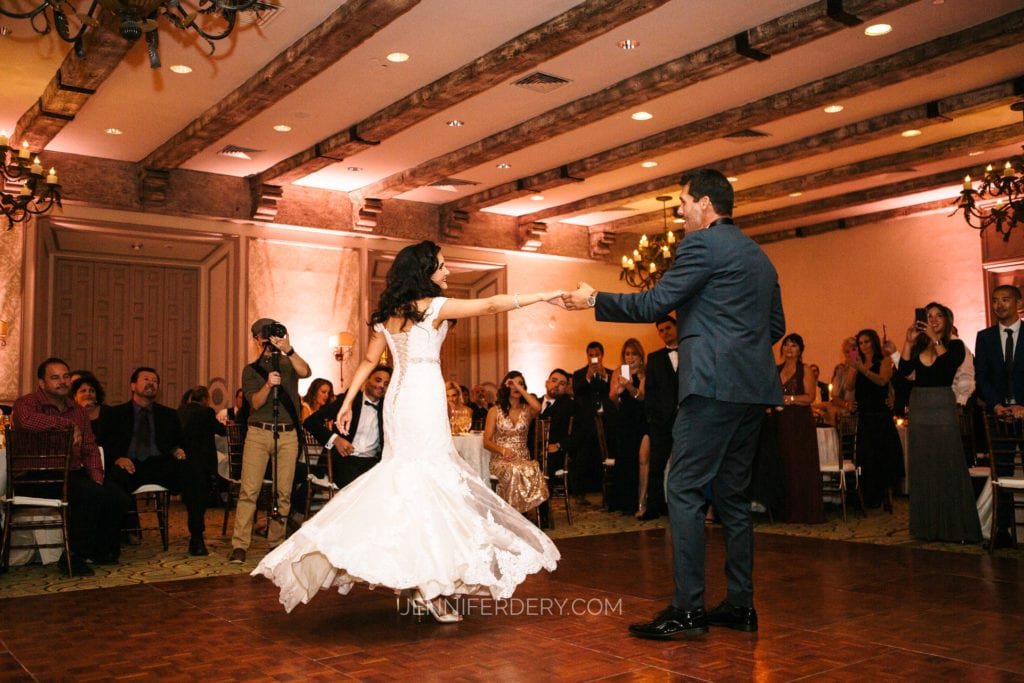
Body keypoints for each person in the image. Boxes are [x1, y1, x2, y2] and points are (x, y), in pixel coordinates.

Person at [252, 240, 561, 621]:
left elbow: (368, 361)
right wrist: (546, 295)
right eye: (442, 265)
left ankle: (423, 583)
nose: (448, 271)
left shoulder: (392, 312)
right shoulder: (432, 306)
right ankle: (430, 588)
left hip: (401, 397)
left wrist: (347, 402)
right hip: (420, 397)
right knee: (426, 480)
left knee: (411, 480)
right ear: (424, 270)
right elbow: (491, 305)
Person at [563, 168, 784, 639]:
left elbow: (652, 305)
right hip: (753, 391)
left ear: (705, 204)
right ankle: (740, 606)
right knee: (732, 496)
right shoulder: (759, 256)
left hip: (712, 388)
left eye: (682, 202)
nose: (679, 211)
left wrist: (594, 298)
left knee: (682, 488)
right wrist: (736, 349)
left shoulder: (702, 245)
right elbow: (776, 327)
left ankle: (688, 610)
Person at [12, 358, 129, 575]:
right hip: (35, 476)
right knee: (89, 494)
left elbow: (90, 448)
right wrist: (66, 424)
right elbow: (26, 421)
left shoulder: (77, 410)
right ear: (42, 383)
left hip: (72, 473)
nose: (62, 381)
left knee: (116, 496)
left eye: (66, 376)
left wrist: (97, 477)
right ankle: (73, 556)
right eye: (55, 377)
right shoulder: (26, 403)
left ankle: (101, 551)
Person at [102, 367, 211, 556]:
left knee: (194, 473)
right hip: (129, 465)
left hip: (160, 464)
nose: (151, 383)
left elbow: (180, 441)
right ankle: (111, 542)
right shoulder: (116, 413)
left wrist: (177, 449)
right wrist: (117, 458)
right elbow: (105, 444)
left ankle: (196, 537)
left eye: (155, 381)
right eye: (146, 379)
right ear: (133, 385)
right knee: (111, 481)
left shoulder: (168, 414)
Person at [228, 319, 311, 564]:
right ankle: (240, 545)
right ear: (257, 340)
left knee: (283, 492)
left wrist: (289, 350)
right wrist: (268, 384)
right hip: (258, 433)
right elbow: (254, 403)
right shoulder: (251, 369)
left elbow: (306, 372)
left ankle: (276, 543)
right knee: (249, 491)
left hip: (287, 434)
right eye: (265, 336)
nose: (270, 340)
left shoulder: (289, 362)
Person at [899, 302, 982, 544]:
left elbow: (946, 369)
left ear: (947, 320)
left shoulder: (955, 345)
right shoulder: (919, 345)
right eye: (929, 316)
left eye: (938, 316)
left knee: (947, 461)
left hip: (942, 404)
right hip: (919, 405)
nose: (933, 319)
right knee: (923, 464)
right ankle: (927, 528)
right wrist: (908, 342)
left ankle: (956, 527)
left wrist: (936, 339)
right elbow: (904, 372)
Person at [973, 284, 1024, 548]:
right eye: (995, 300)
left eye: (1005, 299)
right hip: (998, 416)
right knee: (1001, 472)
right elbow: (981, 376)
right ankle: (1002, 529)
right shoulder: (985, 337)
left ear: (1018, 303)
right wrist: (996, 405)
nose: (999, 305)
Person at [304, 365, 391, 489]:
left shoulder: (388, 408)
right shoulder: (348, 402)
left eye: (386, 384)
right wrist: (336, 439)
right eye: (378, 380)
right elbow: (311, 422)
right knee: (358, 488)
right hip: (345, 460)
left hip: (373, 463)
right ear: (367, 379)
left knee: (384, 486)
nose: (381, 385)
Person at [847, 329, 904, 511]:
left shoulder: (884, 360)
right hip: (864, 415)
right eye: (860, 343)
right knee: (867, 457)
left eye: (867, 342)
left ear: (873, 342)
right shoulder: (857, 362)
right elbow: (849, 385)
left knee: (884, 456)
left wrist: (863, 369)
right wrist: (853, 365)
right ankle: (869, 496)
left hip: (880, 415)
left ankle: (886, 495)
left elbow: (882, 381)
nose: (864, 346)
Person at [775, 333, 825, 524]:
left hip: (799, 422)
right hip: (780, 421)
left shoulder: (805, 370)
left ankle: (804, 511)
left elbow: (810, 397)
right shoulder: (776, 369)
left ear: (800, 350)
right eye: (786, 345)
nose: (789, 348)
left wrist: (790, 399)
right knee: (784, 463)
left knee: (799, 464)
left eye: (793, 345)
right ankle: (785, 510)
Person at [484, 371, 548, 514]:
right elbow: (486, 442)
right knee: (514, 470)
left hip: (522, 457)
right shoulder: (494, 411)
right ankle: (513, 515)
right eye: (512, 384)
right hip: (500, 459)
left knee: (528, 468)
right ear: (506, 387)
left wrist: (519, 388)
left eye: (521, 384)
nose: (516, 387)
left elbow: (538, 407)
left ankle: (518, 515)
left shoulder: (527, 410)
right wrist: (503, 451)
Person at [178, 385, 228, 541]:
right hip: (202, 460)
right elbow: (220, 430)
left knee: (192, 495)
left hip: (183, 459)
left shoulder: (181, 411)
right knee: (200, 496)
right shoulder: (206, 412)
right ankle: (197, 530)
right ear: (205, 399)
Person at [608, 337, 649, 516]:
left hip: (642, 420)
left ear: (640, 356)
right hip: (624, 420)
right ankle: (625, 503)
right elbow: (613, 398)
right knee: (624, 460)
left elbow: (642, 397)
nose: (630, 357)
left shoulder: (644, 373)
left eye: (634, 354)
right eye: (627, 354)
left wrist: (630, 387)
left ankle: (641, 502)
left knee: (641, 459)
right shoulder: (618, 371)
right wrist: (617, 393)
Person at [643, 314, 678, 520]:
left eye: (668, 328)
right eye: (661, 330)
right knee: (656, 465)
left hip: (688, 419)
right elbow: (651, 391)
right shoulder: (654, 358)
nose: (665, 333)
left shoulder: (691, 352)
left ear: (677, 327)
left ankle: (686, 507)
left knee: (689, 464)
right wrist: (652, 418)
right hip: (661, 421)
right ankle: (654, 506)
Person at [571, 341, 613, 504]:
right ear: (587, 356)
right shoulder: (579, 374)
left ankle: (608, 492)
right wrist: (588, 377)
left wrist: (605, 377)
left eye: (597, 355)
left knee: (608, 454)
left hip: (606, 420)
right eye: (591, 355)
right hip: (586, 422)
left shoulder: (610, 373)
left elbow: (614, 394)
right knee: (583, 456)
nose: (594, 358)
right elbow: (577, 393)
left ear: (602, 355)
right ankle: (579, 493)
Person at [70, 374, 111, 444]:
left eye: (92, 391)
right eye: (83, 391)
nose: (88, 394)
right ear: (75, 397)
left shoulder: (108, 412)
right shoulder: (70, 413)